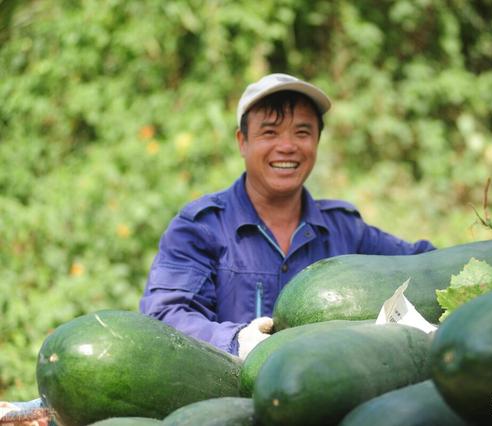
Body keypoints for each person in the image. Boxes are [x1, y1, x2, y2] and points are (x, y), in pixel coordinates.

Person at [139, 73, 436, 359]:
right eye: (270, 132)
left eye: (302, 132)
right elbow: (164, 315)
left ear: (317, 140)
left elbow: (425, 266)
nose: (287, 146)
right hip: (226, 396)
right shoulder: (201, 227)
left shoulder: (345, 230)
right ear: (242, 141)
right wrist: (236, 341)